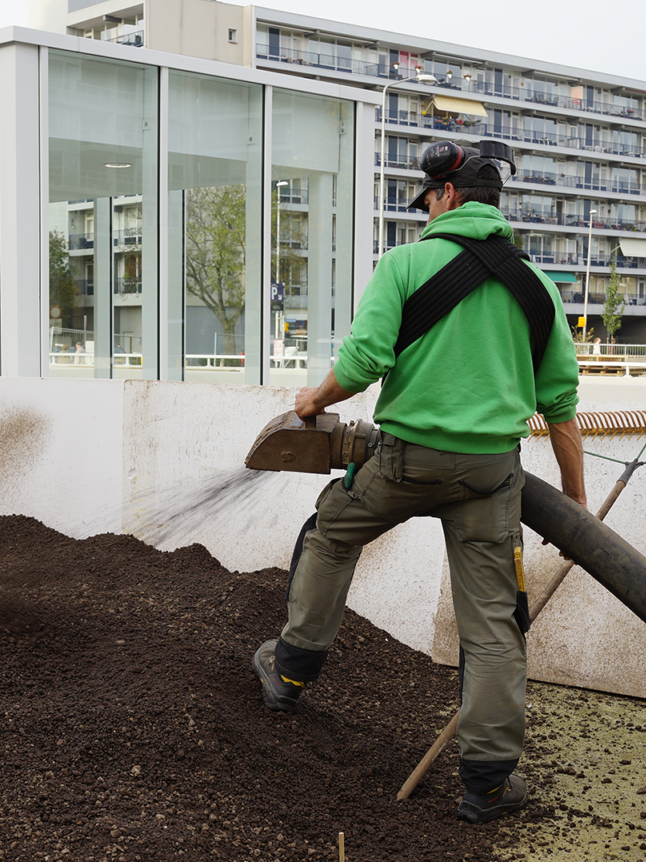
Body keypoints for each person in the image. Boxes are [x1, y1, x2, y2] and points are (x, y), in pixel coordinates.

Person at [250, 139, 587, 825]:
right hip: (492, 478)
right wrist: (579, 513)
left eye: (428, 201)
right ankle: (487, 786)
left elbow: (367, 358)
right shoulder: (538, 286)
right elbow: (562, 410)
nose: (424, 214)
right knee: (493, 627)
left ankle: (288, 673)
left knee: (331, 532)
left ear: (451, 196)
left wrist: (313, 402)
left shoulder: (405, 264)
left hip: (404, 462)